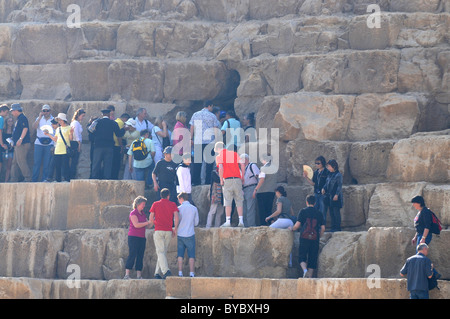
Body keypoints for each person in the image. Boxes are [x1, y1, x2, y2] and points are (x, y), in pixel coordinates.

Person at [291, 195, 325, 278]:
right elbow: (323, 228)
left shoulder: (303, 211)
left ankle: (304, 271)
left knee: (302, 256)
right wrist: (319, 236)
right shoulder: (319, 213)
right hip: (315, 238)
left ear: (306, 202)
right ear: (315, 203)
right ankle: (309, 276)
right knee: (312, 258)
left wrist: (291, 228)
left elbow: (297, 225)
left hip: (304, 237)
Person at [149, 188, 179, 279]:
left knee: (160, 252)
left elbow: (150, 218)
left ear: (160, 195)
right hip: (168, 230)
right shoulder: (173, 204)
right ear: (168, 196)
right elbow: (176, 218)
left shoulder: (155, 204)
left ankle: (166, 271)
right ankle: (157, 273)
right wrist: (175, 229)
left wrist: (154, 223)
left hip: (158, 230)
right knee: (163, 252)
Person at [189, 100, 221, 185]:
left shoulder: (195, 114)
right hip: (210, 142)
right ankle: (208, 182)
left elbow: (192, 127)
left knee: (197, 163)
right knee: (209, 163)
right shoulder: (212, 116)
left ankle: (195, 182)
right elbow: (215, 130)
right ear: (210, 106)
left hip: (198, 141)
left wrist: (190, 138)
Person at [215, 141, 245, 228]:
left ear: (218, 149)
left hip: (227, 180)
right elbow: (242, 165)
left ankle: (228, 221)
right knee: (239, 200)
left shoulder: (219, 156)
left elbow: (221, 168)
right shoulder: (234, 153)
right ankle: (241, 221)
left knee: (227, 201)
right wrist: (242, 176)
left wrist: (221, 179)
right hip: (237, 179)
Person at [91, 109, 125, 180]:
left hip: (98, 146)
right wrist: (124, 129)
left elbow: (90, 129)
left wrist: (96, 134)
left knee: (96, 163)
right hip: (109, 147)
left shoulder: (97, 121)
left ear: (102, 115)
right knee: (108, 164)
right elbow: (119, 134)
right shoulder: (113, 123)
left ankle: (94, 178)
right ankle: (107, 179)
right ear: (109, 115)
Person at [124, 196, 151, 280]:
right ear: (138, 204)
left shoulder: (142, 214)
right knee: (132, 254)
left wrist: (152, 221)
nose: (144, 206)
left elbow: (148, 226)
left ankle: (139, 275)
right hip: (133, 237)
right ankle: (127, 274)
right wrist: (147, 222)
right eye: (143, 204)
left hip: (141, 237)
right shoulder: (133, 213)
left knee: (140, 255)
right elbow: (136, 224)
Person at [43, 113, 73, 182]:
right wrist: (48, 134)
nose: (59, 122)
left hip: (65, 149)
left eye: (60, 120)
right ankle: (58, 179)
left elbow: (70, 139)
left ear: (63, 120)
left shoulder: (69, 127)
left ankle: (65, 179)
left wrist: (71, 133)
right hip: (57, 149)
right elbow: (55, 139)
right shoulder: (58, 129)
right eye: (58, 120)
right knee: (57, 166)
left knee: (65, 165)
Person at [176, 192, 199, 277]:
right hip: (190, 234)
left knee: (180, 255)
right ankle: (192, 273)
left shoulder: (179, 208)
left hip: (180, 234)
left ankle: (180, 272)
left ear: (181, 198)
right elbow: (196, 223)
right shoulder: (194, 208)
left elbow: (176, 221)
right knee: (191, 255)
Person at [31, 104, 54, 182]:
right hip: (39, 143)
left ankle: (45, 179)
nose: (46, 112)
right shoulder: (39, 118)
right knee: (36, 163)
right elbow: (34, 127)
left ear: (50, 111)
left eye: (47, 111)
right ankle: (34, 179)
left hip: (49, 142)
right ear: (42, 111)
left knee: (47, 163)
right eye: (44, 111)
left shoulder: (53, 119)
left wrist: (54, 145)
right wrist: (39, 117)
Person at [303, 156, 329, 224]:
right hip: (316, 194)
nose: (317, 164)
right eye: (316, 163)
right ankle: (315, 226)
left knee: (323, 211)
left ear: (322, 163)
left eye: (318, 163)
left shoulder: (327, 172)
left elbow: (329, 183)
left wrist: (325, 189)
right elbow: (313, 183)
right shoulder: (316, 172)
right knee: (315, 210)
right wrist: (306, 177)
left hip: (323, 195)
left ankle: (322, 226)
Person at [10, 103, 32, 182]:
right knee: (15, 162)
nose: (12, 113)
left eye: (12, 111)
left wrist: (20, 139)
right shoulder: (19, 119)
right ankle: (13, 178)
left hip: (22, 144)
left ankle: (28, 178)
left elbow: (25, 128)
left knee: (21, 161)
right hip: (18, 144)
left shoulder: (22, 118)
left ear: (16, 111)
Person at [255, 153, 277, 226]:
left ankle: (263, 225)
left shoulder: (263, 168)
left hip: (262, 192)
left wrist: (255, 189)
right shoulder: (275, 168)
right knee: (269, 210)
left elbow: (262, 179)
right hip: (271, 191)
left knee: (262, 211)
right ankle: (272, 224)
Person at [322, 159, 343, 232]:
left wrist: (337, 195)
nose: (328, 168)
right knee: (331, 213)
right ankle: (333, 227)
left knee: (336, 212)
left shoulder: (338, 175)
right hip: (329, 196)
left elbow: (339, 186)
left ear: (334, 166)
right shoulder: (330, 174)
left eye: (329, 166)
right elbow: (326, 183)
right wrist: (324, 188)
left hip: (336, 197)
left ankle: (337, 228)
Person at [240, 153, 260, 227]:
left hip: (251, 188)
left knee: (250, 209)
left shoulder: (252, 166)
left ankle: (251, 226)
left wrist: (256, 189)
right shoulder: (243, 169)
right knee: (244, 209)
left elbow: (258, 177)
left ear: (245, 159)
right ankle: (245, 226)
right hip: (243, 189)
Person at [112, 113, 130, 180]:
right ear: (125, 119)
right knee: (116, 164)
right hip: (117, 145)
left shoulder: (115, 121)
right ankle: (115, 178)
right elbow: (119, 135)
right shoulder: (121, 123)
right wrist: (121, 146)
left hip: (112, 145)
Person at [69, 108, 86, 180]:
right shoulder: (75, 123)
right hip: (75, 143)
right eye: (82, 116)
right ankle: (71, 177)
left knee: (74, 162)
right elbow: (76, 135)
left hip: (75, 143)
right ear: (78, 115)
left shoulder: (75, 122)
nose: (83, 117)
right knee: (74, 162)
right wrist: (79, 145)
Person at [2, 116, 14, 182]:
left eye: (11, 121)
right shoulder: (3, 131)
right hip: (4, 150)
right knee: (3, 166)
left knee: (9, 167)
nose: (10, 123)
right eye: (9, 121)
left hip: (11, 150)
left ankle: (6, 180)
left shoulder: (14, 131)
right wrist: (4, 145)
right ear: (6, 122)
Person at [0, 104, 10, 178]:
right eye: (6, 112)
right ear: (2, 111)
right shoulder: (1, 118)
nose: (7, 114)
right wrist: (2, 143)